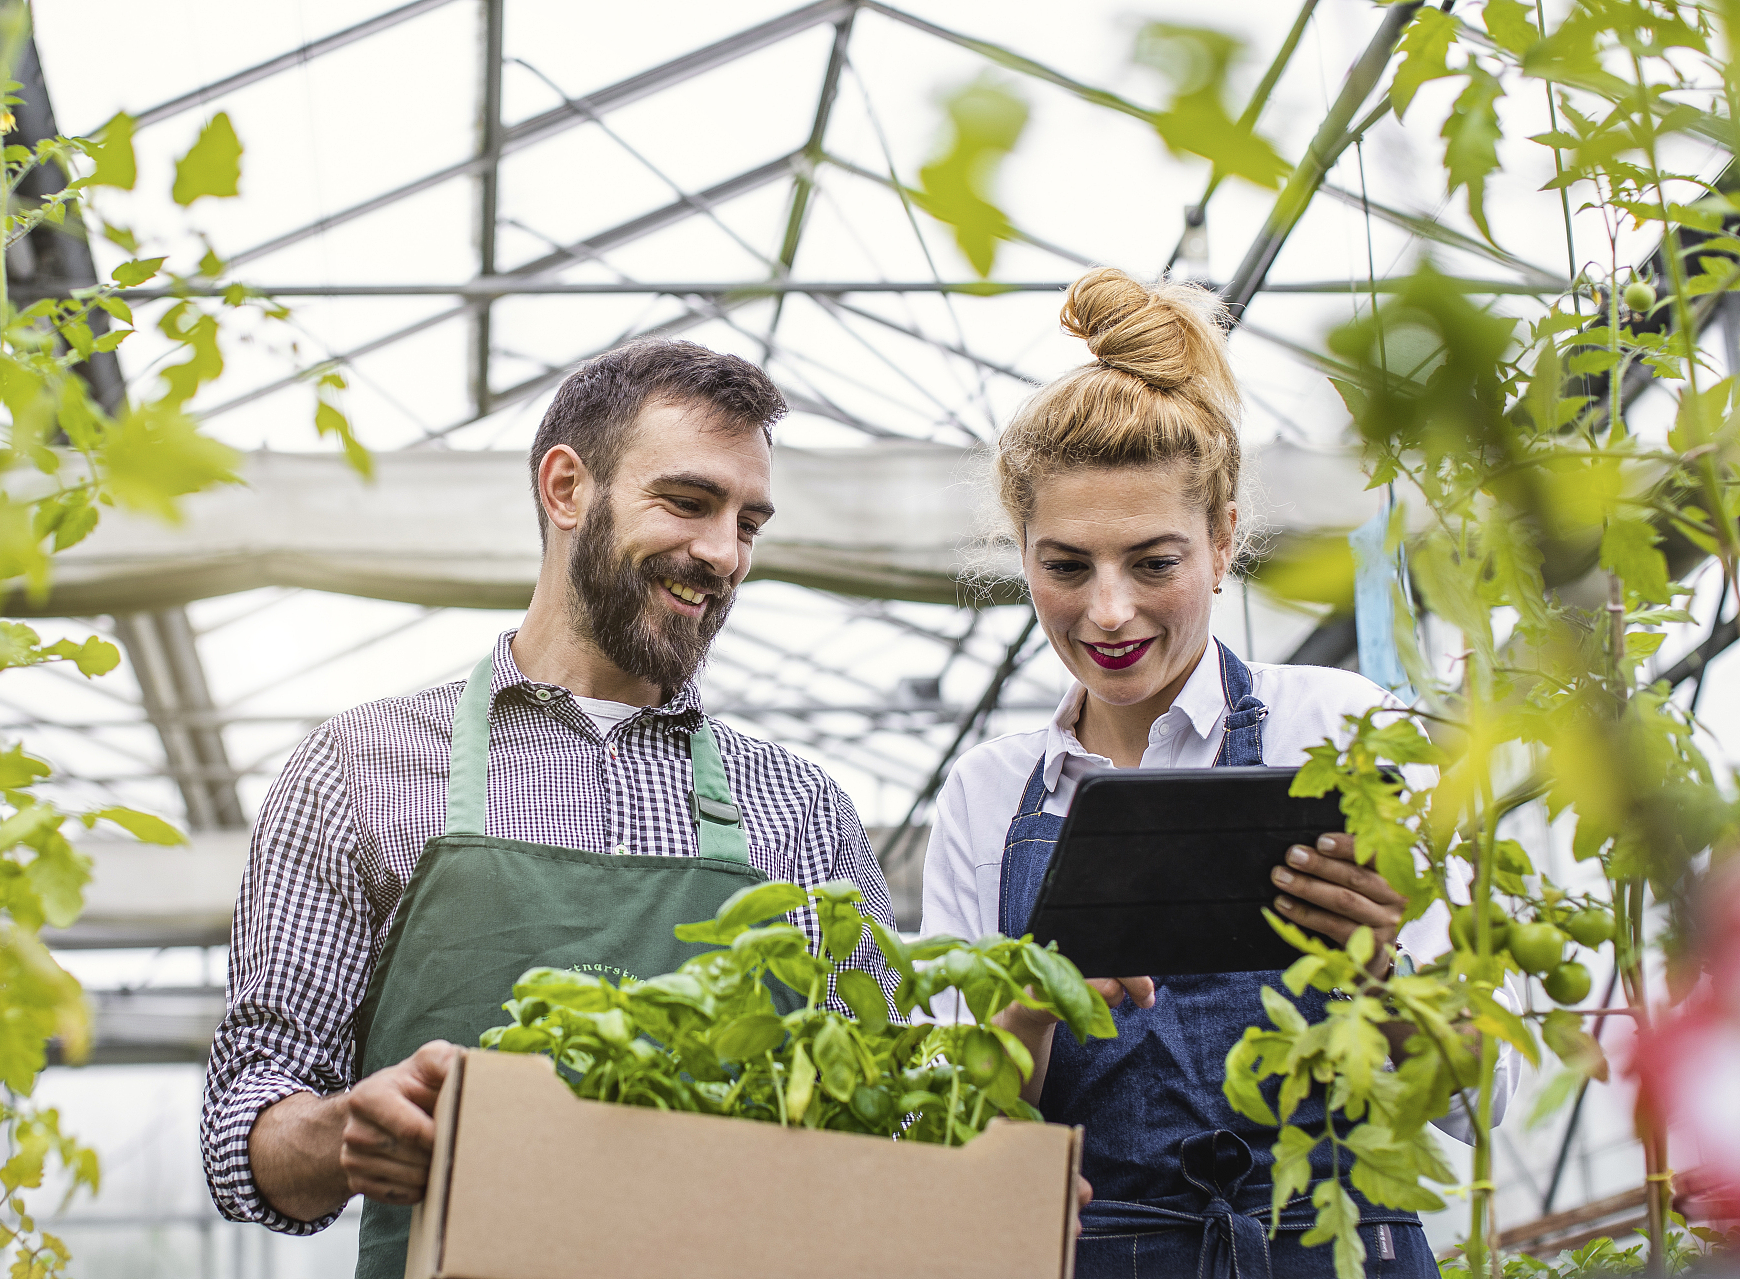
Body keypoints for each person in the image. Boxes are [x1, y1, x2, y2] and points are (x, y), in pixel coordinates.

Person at [201, 340, 900, 1279]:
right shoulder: (358, 771)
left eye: (750, 522)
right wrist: (339, 1134)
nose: (724, 554)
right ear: (566, 488)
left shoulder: (802, 810)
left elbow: (890, 1110)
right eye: (689, 503)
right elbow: (244, 1121)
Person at [922, 268, 1507, 1277]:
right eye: (1065, 566)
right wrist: (1034, 1003)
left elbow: (1467, 1092)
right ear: (1021, 555)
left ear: (1223, 537)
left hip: (1334, 1250)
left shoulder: (1331, 726)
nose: (1107, 612)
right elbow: (945, 1117)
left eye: (1152, 562)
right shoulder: (990, 794)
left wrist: (1381, 969)